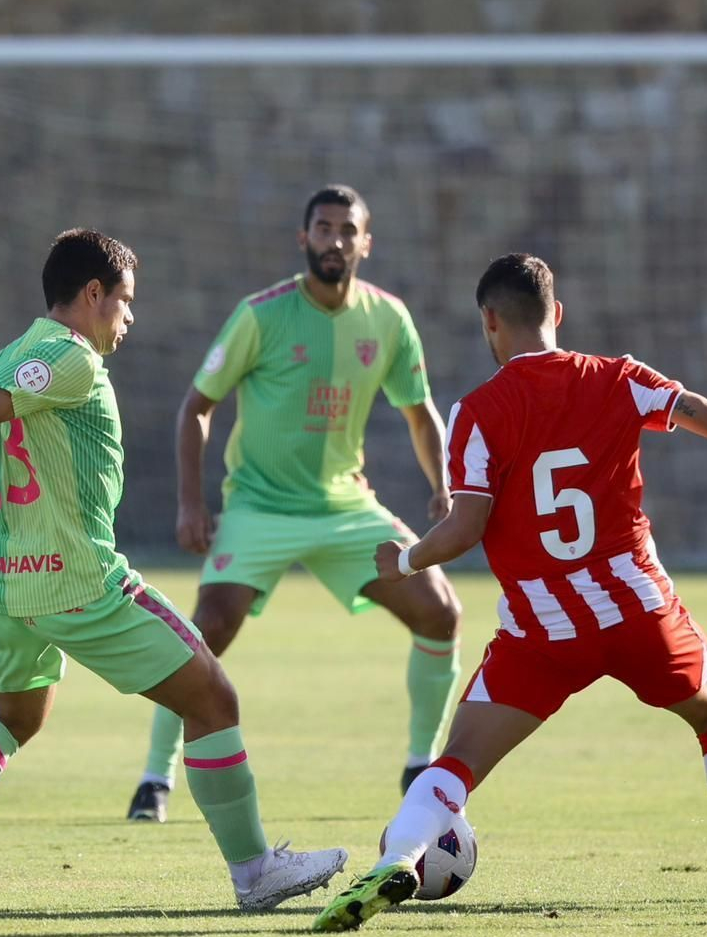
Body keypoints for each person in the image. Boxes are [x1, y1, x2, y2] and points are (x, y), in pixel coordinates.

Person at [312, 253, 707, 932]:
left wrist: (404, 559)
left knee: (459, 760)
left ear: (490, 321)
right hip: (637, 609)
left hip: (542, 628)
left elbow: (464, 528)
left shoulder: (477, 412)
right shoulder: (621, 378)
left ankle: (398, 858)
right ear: (558, 314)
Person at [0, 228, 346, 910]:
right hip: (78, 581)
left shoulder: (11, 354)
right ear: (93, 293)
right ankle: (254, 872)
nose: (130, 316)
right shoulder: (71, 357)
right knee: (213, 698)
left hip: (8, 583)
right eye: (126, 300)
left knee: (17, 714)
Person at [129, 184, 462, 823]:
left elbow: (420, 415)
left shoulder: (389, 319)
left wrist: (443, 486)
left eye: (347, 230)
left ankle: (421, 767)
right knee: (206, 631)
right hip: (258, 507)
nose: (335, 240)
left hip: (344, 507)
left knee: (440, 613)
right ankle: (155, 778)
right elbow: (196, 406)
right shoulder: (261, 315)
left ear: (366, 243)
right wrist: (190, 503)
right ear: (303, 238)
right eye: (323, 228)